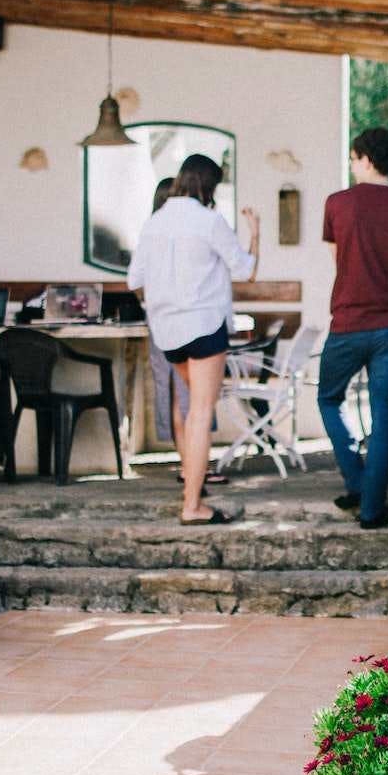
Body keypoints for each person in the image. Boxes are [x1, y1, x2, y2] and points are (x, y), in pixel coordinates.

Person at [128, 154, 260, 525]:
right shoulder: (209, 221)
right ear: (208, 185)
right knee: (201, 412)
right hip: (203, 326)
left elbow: (133, 279)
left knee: (187, 411)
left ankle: (193, 488)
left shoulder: (154, 222)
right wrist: (255, 233)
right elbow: (245, 270)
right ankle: (192, 506)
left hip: (167, 331)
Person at [319, 128, 388, 529]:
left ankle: (356, 479)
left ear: (366, 159)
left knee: (329, 398)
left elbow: (340, 262)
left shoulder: (337, 204)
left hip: (348, 322)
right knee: (383, 414)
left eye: (354, 159)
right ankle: (370, 509)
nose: (353, 166)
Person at [144, 177, 226, 492]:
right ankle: (191, 469)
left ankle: (189, 465)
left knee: (180, 395)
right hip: (185, 323)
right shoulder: (175, 232)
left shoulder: (154, 232)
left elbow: (137, 276)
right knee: (187, 398)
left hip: (161, 323)